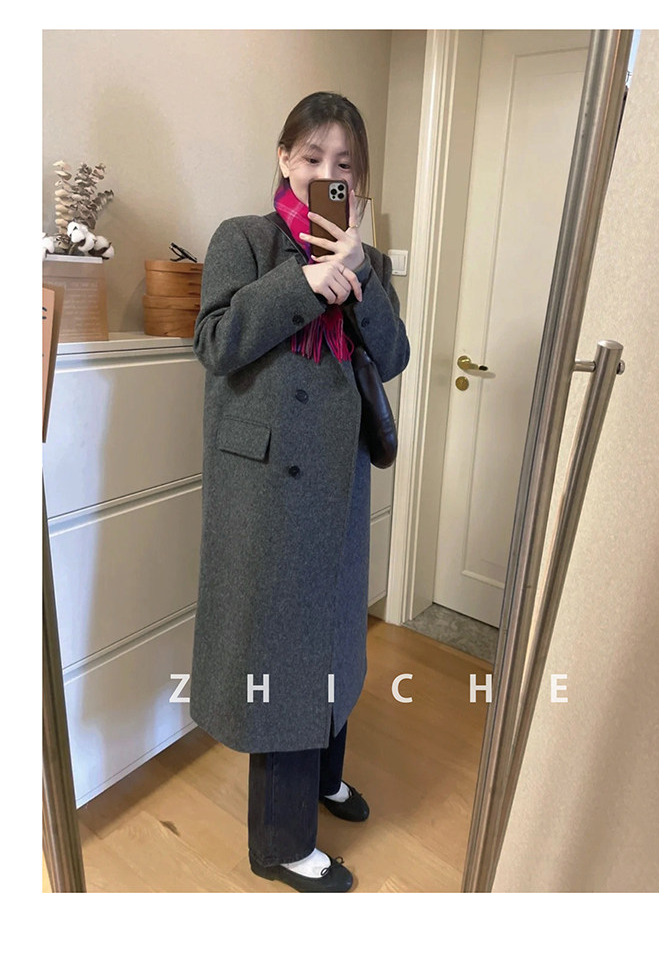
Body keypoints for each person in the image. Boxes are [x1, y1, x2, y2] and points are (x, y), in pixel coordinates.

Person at [189, 91, 411, 893]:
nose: (325, 173)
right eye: (312, 157)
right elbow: (215, 342)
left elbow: (394, 357)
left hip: (338, 490)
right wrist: (306, 282)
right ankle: (280, 845)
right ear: (284, 157)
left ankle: (324, 777)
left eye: (343, 165)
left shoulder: (369, 260)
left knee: (335, 643)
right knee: (284, 658)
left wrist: (358, 273)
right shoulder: (243, 240)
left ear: (359, 180)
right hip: (268, 493)